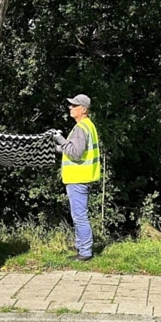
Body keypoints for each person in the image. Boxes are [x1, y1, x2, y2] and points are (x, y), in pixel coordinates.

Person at [53, 94, 100, 261]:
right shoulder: (88, 126)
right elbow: (75, 149)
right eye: (70, 105)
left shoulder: (81, 128)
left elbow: (76, 153)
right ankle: (82, 248)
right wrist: (60, 148)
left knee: (79, 216)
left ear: (84, 109)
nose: (70, 108)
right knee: (80, 215)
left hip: (78, 178)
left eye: (74, 105)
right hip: (84, 178)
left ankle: (85, 252)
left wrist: (60, 140)